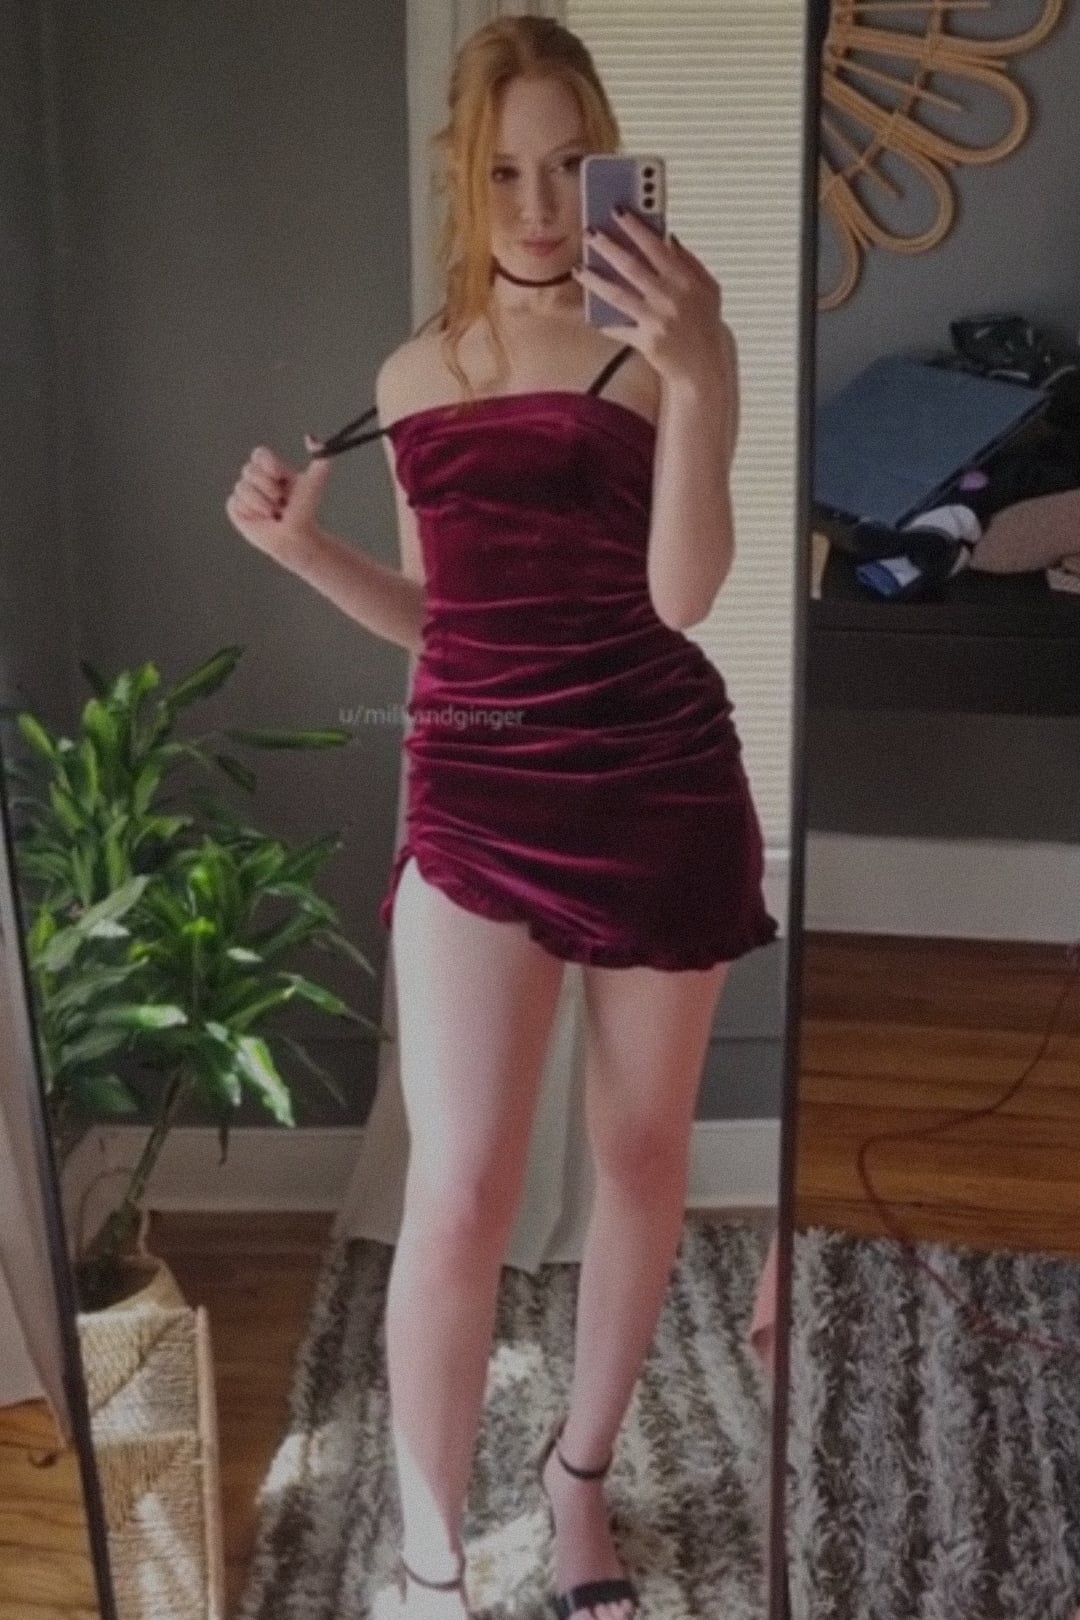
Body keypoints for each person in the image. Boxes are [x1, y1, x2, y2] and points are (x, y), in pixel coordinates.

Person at [226, 17, 778, 1619]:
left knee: (642, 1154)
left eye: (567, 166)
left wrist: (701, 372)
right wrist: (304, 555)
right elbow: (445, 618)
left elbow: (683, 597)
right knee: (458, 1186)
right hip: (475, 790)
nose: (538, 207)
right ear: (461, 182)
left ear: (611, 168)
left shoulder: (670, 344)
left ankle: (578, 1480)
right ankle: (429, 1549)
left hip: (659, 780)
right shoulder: (412, 374)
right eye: (504, 172)